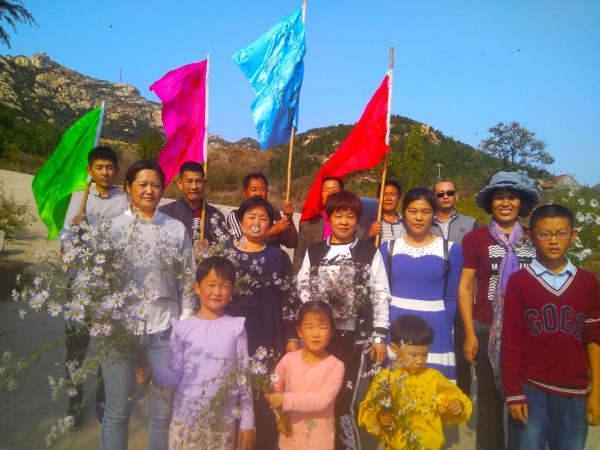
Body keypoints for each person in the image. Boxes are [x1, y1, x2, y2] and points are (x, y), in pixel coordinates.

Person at [103, 160, 196, 450]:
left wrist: (184, 323)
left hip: (163, 333)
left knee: (162, 415)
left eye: (155, 185)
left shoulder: (175, 229)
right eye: (142, 184)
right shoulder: (112, 229)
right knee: (118, 411)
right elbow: (100, 284)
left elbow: (188, 279)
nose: (149, 191)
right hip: (120, 334)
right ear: (128, 187)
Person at [295, 190, 390, 449]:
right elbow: (303, 288)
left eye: (350, 216)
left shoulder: (369, 252)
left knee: (344, 404)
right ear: (329, 217)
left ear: (357, 220)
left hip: (354, 341)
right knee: (318, 400)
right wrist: (316, 320)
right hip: (321, 339)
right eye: (338, 215)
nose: (344, 222)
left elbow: (380, 294)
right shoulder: (315, 251)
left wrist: (379, 336)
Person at [502, 204, 600, 449]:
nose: (554, 241)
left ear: (573, 235)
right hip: (530, 389)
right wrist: (513, 393)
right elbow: (511, 340)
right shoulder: (519, 281)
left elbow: (594, 338)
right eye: (544, 234)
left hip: (574, 393)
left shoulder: (588, 283)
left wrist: (597, 391)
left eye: (562, 233)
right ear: (531, 236)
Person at [136, 256, 255, 450]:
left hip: (223, 422)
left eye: (224, 286)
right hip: (186, 420)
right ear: (197, 287)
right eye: (211, 285)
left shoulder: (236, 327)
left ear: (232, 290)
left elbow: (244, 378)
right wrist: (152, 372)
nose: (217, 292)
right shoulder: (182, 329)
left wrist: (247, 423)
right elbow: (175, 375)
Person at [458, 170, 539, 450]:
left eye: (512, 197)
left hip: (527, 330)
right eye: (499, 197)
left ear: (521, 203)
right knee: (489, 401)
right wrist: (469, 333)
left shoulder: (533, 237)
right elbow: (466, 287)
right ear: (490, 203)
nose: (505, 202)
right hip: (485, 325)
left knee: (524, 398)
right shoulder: (475, 239)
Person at [61, 145, 129, 427]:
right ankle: (73, 401)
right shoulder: (80, 197)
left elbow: (125, 238)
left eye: (110, 167)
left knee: (106, 345)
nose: (105, 172)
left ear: (117, 170)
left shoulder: (124, 201)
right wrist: (74, 232)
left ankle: (102, 397)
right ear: (90, 170)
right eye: (99, 167)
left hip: (110, 284)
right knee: (76, 346)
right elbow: (66, 240)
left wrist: (93, 231)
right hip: (81, 282)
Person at [226, 196, 294, 450]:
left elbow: (289, 298)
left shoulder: (279, 257)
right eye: (251, 216)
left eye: (263, 218)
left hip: (269, 338)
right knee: (231, 399)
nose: (256, 222)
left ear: (270, 224)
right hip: (232, 340)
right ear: (241, 221)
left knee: (266, 399)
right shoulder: (226, 254)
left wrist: (291, 338)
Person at [380, 188, 463, 382]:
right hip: (397, 325)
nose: (418, 217)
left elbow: (452, 297)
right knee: (396, 388)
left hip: (435, 328)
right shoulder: (388, 249)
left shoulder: (451, 250)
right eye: (412, 211)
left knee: (432, 389)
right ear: (404, 213)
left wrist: (444, 330)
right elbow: (382, 294)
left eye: (425, 211)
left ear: (434, 214)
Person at [358, 315, 472, 450]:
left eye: (425, 354)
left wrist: (458, 406)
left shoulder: (433, 377)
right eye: (413, 355)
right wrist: (380, 417)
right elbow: (367, 412)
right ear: (394, 348)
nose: (420, 361)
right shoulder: (385, 379)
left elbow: (456, 398)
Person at [265, 301, 344, 450]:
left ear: (331, 332)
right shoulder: (288, 360)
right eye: (309, 327)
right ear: (300, 331)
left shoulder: (335, 366)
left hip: (320, 444)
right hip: (288, 442)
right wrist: (279, 417)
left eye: (322, 327)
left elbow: (321, 401)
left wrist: (285, 399)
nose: (316, 334)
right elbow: (274, 391)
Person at [431, 180, 478, 397]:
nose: (445, 197)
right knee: (434, 342)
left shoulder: (470, 223)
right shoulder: (426, 222)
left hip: (460, 294)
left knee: (460, 343)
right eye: (440, 194)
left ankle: (462, 392)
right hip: (433, 292)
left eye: (449, 192)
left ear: (456, 196)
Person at [293, 177, 366, 274]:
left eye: (334, 190)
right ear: (320, 194)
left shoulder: (359, 230)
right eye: (325, 190)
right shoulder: (307, 224)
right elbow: (299, 258)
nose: (330, 193)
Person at [159, 161, 225, 247]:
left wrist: (209, 247)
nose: (194, 186)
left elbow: (223, 246)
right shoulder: (165, 213)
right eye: (189, 181)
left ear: (204, 183)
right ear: (180, 183)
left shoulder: (216, 215)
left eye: (198, 181)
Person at [227, 172, 298, 249]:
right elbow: (239, 244)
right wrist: (271, 231)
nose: (258, 193)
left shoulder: (275, 215)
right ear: (244, 193)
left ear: (267, 192)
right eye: (254, 189)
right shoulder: (235, 215)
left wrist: (289, 218)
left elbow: (292, 244)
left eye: (262, 189)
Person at [364, 180, 407, 245]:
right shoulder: (366, 221)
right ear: (378, 199)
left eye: (393, 194)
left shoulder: (406, 223)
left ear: (399, 199)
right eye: (384, 194)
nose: (388, 198)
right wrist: (369, 235)